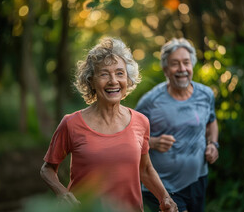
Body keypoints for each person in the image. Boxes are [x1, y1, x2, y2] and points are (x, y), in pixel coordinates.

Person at [40, 37, 178, 212]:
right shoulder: (71, 123)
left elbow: (145, 169)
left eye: (120, 73)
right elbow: (47, 169)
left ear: (128, 79)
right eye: (104, 74)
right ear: (91, 81)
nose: (113, 80)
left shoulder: (141, 121)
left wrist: (165, 197)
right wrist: (61, 192)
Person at [135, 38, 219, 212]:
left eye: (186, 63)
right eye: (175, 64)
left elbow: (211, 121)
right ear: (166, 69)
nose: (182, 69)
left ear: (192, 65)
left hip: (198, 180)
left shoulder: (205, 94)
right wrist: (153, 142)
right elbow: (131, 137)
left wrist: (213, 144)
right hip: (163, 186)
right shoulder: (150, 102)